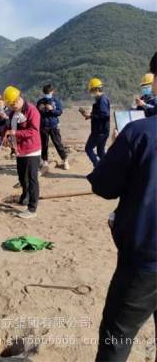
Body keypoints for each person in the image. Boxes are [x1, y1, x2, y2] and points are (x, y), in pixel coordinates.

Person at [87, 113, 157, 361]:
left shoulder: (139, 132)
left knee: (116, 337)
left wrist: (118, 149)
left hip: (145, 260)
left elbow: (103, 186)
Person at [2, 85, 41, 219]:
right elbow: (8, 127)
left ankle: (32, 208)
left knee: (32, 179)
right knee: (22, 178)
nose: (12, 107)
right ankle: (25, 197)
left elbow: (33, 131)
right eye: (10, 106)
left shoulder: (32, 111)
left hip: (31, 150)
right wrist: (7, 137)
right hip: (20, 150)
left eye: (13, 104)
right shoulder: (13, 113)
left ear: (18, 99)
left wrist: (15, 133)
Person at [37, 84, 69, 170]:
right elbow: (36, 114)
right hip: (43, 126)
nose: (47, 94)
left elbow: (59, 112)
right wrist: (40, 109)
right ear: (43, 93)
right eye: (45, 92)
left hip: (54, 125)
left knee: (58, 143)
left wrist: (52, 109)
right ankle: (45, 161)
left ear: (52, 92)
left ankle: (65, 160)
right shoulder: (40, 102)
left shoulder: (56, 101)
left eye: (49, 92)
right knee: (44, 144)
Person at [81, 78, 110, 168]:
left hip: (99, 131)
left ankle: (98, 167)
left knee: (88, 149)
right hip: (102, 130)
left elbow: (105, 115)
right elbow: (100, 114)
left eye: (92, 90)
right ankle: (107, 169)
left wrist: (92, 116)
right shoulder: (101, 99)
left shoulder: (102, 100)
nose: (91, 93)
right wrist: (90, 116)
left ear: (96, 89)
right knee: (100, 152)